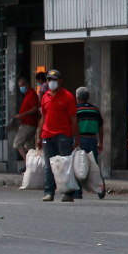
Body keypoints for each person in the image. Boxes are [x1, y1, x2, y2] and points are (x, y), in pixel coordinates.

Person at [36, 69, 80, 202]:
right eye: (49, 80)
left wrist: (76, 138)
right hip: (47, 135)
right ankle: (49, 192)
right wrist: (39, 136)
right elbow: (43, 118)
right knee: (49, 165)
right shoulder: (45, 97)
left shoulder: (68, 97)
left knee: (65, 164)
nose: (51, 82)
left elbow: (73, 119)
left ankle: (69, 193)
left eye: (54, 80)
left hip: (63, 135)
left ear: (60, 81)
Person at [73, 87, 105, 199]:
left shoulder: (75, 110)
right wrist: (100, 142)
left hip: (80, 139)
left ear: (77, 97)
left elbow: (73, 126)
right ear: (88, 97)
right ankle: (101, 189)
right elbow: (101, 127)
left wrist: (74, 140)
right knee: (94, 164)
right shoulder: (95, 110)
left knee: (77, 164)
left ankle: (77, 192)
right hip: (93, 139)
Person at [13, 77, 39, 172]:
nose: (21, 88)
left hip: (28, 123)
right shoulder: (27, 95)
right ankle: (32, 164)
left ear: (27, 85)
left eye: (22, 86)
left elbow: (35, 108)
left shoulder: (31, 94)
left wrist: (23, 114)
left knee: (18, 143)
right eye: (20, 87)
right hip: (27, 123)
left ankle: (28, 163)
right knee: (29, 147)